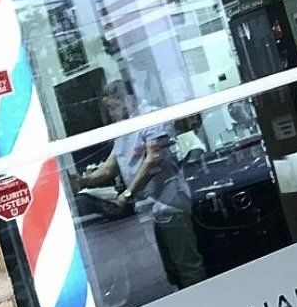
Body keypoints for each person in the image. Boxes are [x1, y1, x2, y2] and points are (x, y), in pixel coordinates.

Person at [77, 82, 206, 290]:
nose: (111, 114)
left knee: (187, 266)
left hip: (169, 202)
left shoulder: (150, 118)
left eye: (113, 107)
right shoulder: (124, 126)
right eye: (109, 109)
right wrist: (81, 181)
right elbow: (109, 168)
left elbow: (153, 160)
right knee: (169, 270)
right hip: (148, 208)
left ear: (129, 99)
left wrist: (127, 194)